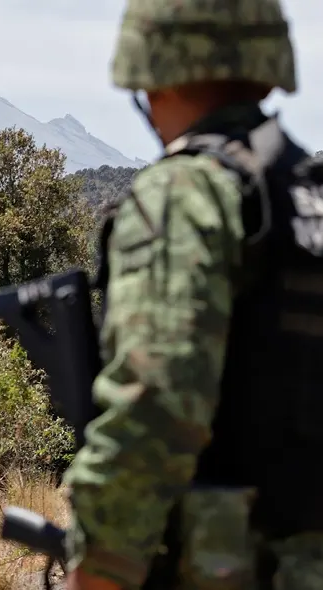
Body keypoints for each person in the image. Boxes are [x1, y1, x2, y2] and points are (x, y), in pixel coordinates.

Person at [60, 1, 323, 589]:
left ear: (152, 70)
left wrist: (100, 567)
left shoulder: (187, 194)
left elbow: (154, 403)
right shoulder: (306, 193)